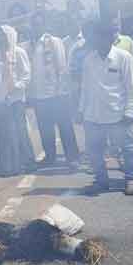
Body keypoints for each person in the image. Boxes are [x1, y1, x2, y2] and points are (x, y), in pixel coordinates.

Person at [79, 22, 133, 196]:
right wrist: (81, 109)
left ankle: (130, 179)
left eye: (101, 38)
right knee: (94, 149)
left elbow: (132, 86)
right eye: (95, 38)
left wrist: (130, 111)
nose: (98, 41)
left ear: (109, 39)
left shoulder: (124, 57)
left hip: (117, 114)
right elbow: (85, 87)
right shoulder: (89, 60)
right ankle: (101, 180)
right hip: (93, 114)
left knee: (127, 148)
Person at [28, 13, 80, 168]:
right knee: (45, 129)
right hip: (39, 95)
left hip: (57, 94)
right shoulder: (30, 45)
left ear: (44, 25)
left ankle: (72, 157)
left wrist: (61, 91)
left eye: (39, 24)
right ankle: (50, 157)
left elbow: (62, 68)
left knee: (65, 127)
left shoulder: (55, 41)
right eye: (34, 25)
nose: (36, 27)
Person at [0, 26, 36, 176]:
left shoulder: (19, 53)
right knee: (3, 134)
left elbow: (26, 75)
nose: (1, 39)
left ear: (10, 36)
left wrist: (15, 87)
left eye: (3, 36)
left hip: (15, 100)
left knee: (19, 132)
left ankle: (27, 162)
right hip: (1, 102)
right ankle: (7, 166)